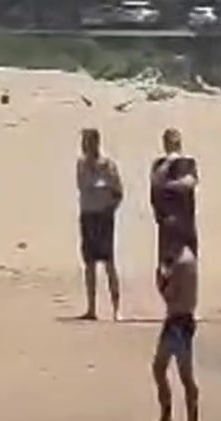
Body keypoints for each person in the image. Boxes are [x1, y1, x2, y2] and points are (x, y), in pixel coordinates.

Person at [142, 221, 200, 421]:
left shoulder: (181, 264)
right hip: (175, 320)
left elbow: (170, 295)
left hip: (180, 323)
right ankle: (166, 419)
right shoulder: (185, 258)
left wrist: (161, 281)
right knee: (159, 368)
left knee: (186, 377)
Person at [75, 126, 123, 321]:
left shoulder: (108, 165)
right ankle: (91, 308)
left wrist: (109, 206)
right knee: (89, 263)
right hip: (87, 215)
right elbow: (82, 186)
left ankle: (116, 309)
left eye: (88, 142)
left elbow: (118, 191)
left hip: (103, 216)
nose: (85, 147)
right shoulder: (81, 165)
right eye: (83, 143)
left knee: (109, 263)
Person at [149, 127, 199, 256]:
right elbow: (155, 182)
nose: (173, 146)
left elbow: (189, 183)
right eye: (170, 143)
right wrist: (168, 162)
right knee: (166, 265)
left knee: (189, 260)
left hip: (185, 221)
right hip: (166, 221)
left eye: (176, 143)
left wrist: (168, 185)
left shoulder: (187, 162)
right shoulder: (159, 163)